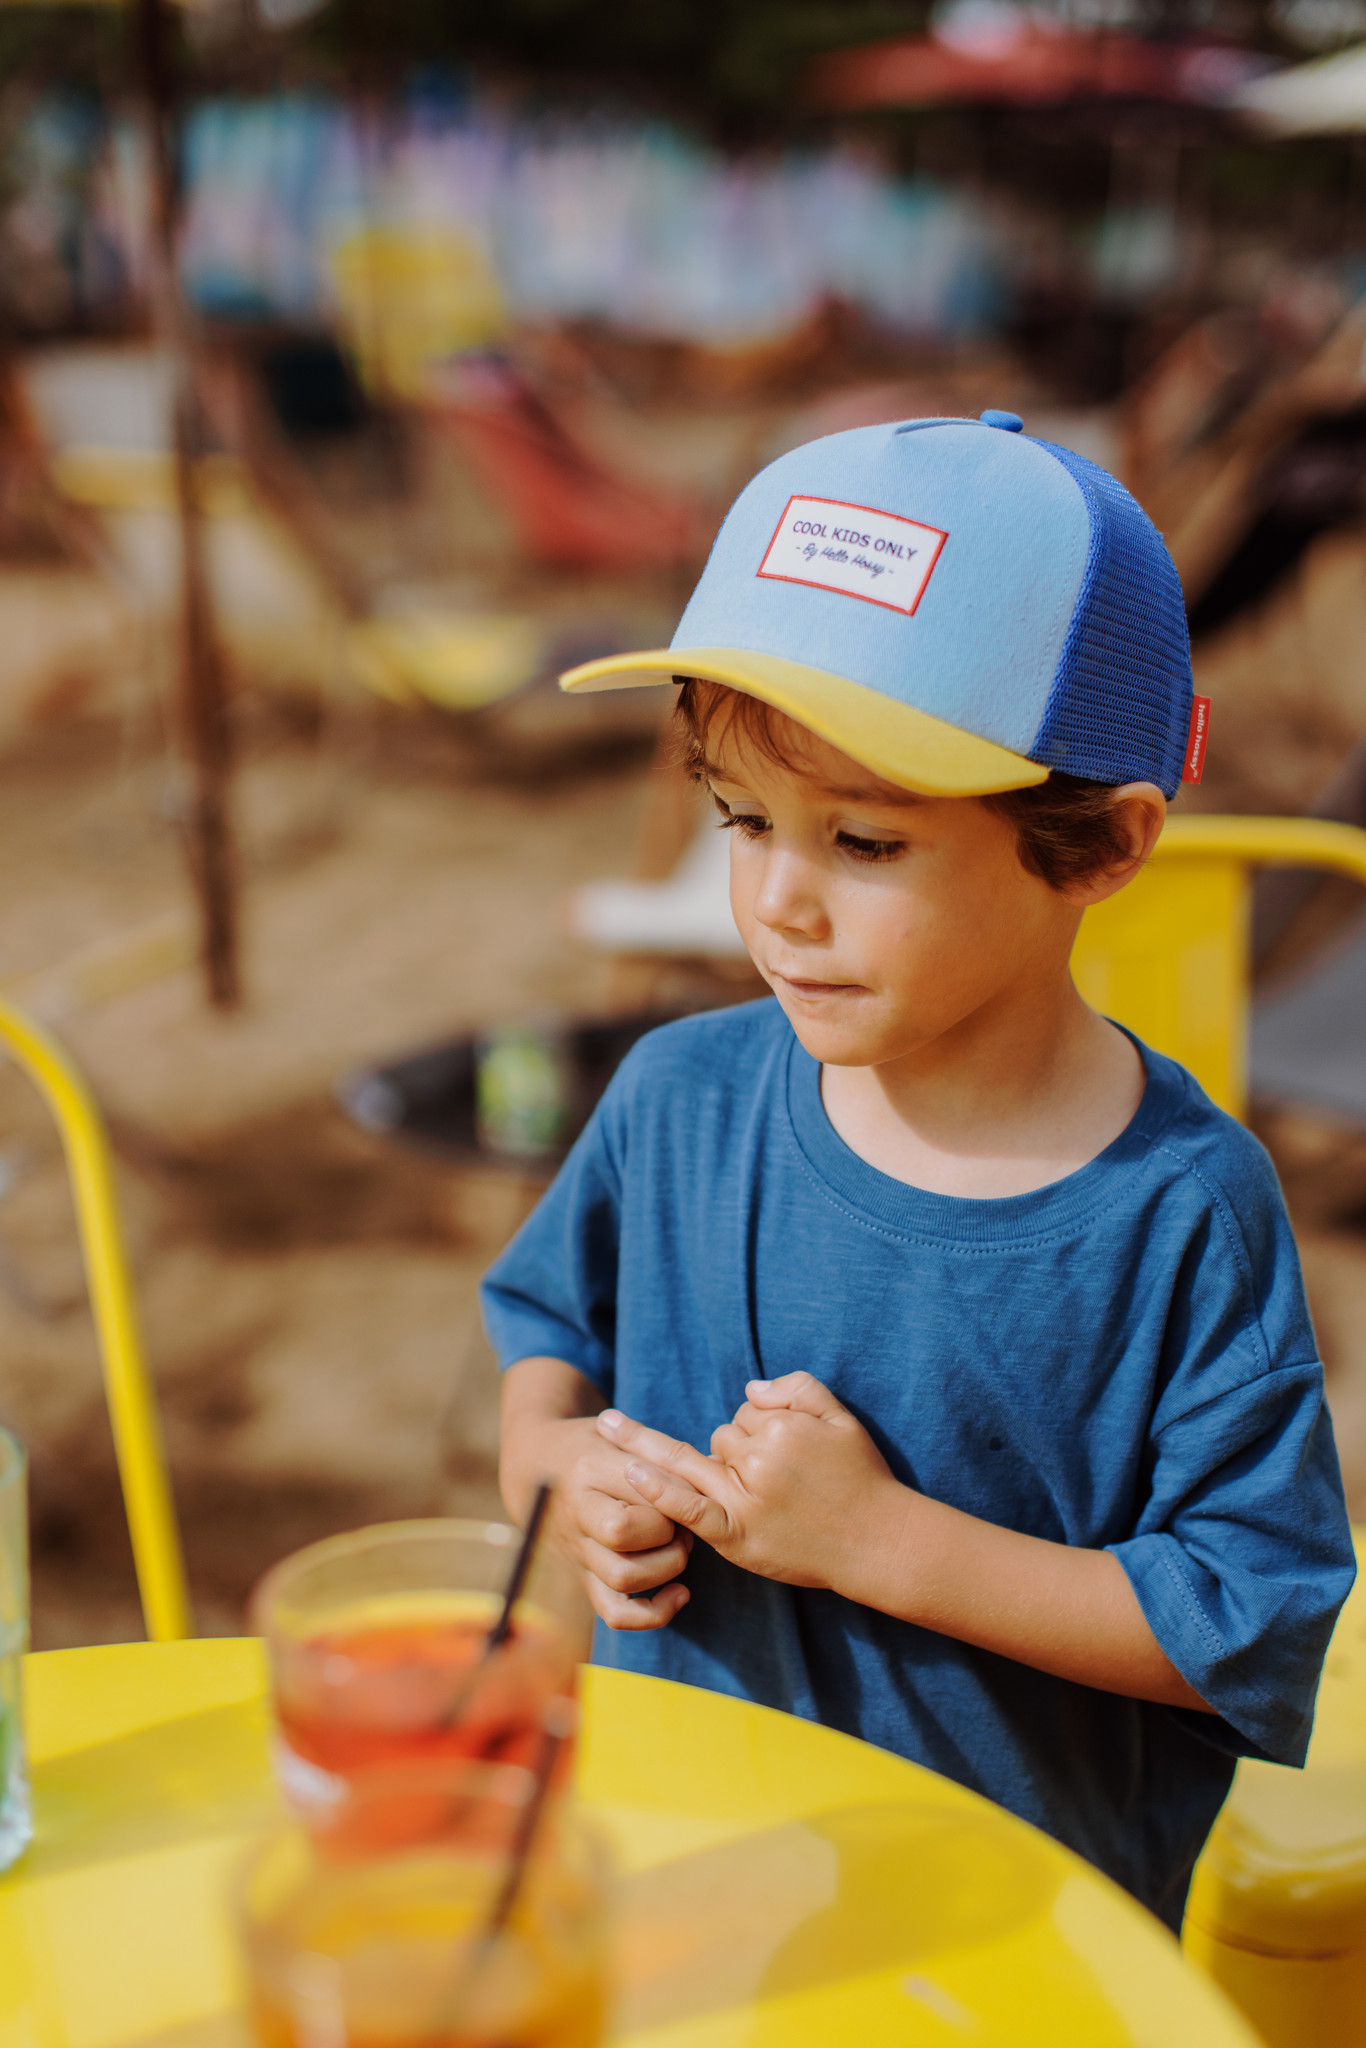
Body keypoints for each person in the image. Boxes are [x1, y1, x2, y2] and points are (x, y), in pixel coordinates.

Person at [483, 410, 1356, 1930]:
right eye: (742, 819)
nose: (775, 903)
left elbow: (1245, 1614)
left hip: (1008, 1941)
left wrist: (880, 1543)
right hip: (673, 1878)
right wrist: (561, 1474)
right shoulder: (678, 1094)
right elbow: (547, 1339)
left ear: (1094, 845)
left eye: (864, 843)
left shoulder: (1175, 1208)